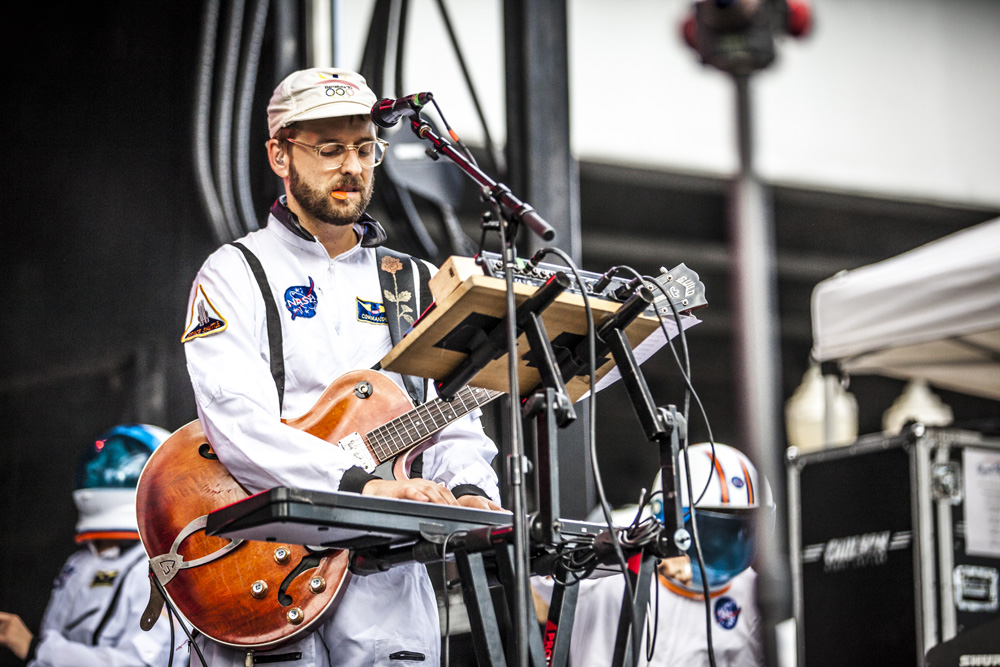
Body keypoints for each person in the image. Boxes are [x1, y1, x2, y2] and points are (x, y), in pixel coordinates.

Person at [179, 67, 503, 666]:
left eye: (364, 149)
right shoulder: (234, 272)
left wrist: (467, 490)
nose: (351, 167)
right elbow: (237, 423)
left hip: (389, 580)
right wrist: (361, 486)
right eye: (329, 150)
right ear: (279, 154)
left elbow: (453, 418)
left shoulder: (413, 280)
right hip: (264, 564)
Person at [536, 442, 768, 667]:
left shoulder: (750, 591)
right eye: (714, 526)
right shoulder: (610, 564)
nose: (724, 543)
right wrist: (648, 552)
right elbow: (537, 577)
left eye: (744, 525)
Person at [0, 424, 186, 667]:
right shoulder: (78, 563)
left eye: (116, 462)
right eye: (99, 463)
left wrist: (34, 648)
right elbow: (52, 635)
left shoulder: (163, 567)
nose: (98, 469)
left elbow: (145, 663)